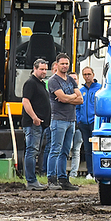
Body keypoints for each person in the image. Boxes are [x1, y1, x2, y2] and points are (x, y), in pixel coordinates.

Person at [46, 53, 83, 190]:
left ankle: (63, 179)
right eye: (62, 64)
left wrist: (69, 97)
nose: (65, 66)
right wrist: (71, 97)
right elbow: (64, 98)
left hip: (71, 120)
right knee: (55, 149)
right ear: (57, 65)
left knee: (66, 151)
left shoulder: (70, 80)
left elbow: (81, 99)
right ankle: (51, 179)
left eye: (66, 64)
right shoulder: (53, 81)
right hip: (58, 120)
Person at [22, 59, 51, 191]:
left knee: (34, 152)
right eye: (41, 69)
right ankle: (31, 181)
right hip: (34, 124)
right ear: (34, 68)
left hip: (40, 124)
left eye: (45, 69)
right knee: (31, 151)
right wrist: (34, 117)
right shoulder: (31, 83)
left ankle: (33, 180)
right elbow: (25, 102)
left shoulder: (41, 83)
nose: (44, 72)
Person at [77, 66, 101, 180]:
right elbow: (77, 107)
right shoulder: (81, 91)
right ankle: (90, 172)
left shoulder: (99, 89)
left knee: (96, 148)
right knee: (87, 149)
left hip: (94, 123)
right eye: (85, 75)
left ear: (93, 75)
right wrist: (79, 119)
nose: (87, 77)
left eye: (89, 74)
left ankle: (97, 172)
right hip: (84, 123)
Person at [39, 60, 57, 175]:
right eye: (55, 70)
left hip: (59, 117)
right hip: (48, 117)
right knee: (47, 145)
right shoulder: (46, 84)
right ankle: (44, 170)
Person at [68, 72, 83, 178]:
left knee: (76, 150)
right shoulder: (65, 91)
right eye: (71, 78)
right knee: (66, 148)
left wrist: (69, 99)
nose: (74, 80)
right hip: (68, 123)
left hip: (79, 126)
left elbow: (81, 101)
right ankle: (62, 173)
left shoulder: (82, 92)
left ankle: (73, 174)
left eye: (75, 78)